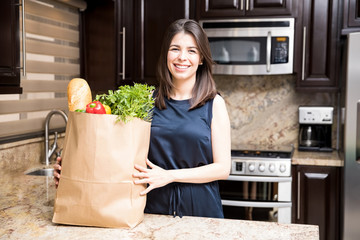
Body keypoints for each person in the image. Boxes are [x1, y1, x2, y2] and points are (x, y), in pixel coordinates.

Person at [54, 19, 231, 218]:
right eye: (175, 49)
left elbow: (223, 168)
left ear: (201, 59)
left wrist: (170, 176)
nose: (182, 57)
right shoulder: (145, 102)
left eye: (191, 50)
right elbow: (115, 153)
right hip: (150, 206)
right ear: (166, 54)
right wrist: (73, 169)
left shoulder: (214, 104)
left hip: (200, 209)